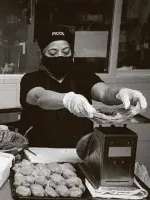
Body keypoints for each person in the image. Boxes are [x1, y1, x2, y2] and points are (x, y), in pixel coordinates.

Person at [19, 26, 147, 148]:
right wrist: (68, 100)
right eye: (53, 53)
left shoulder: (82, 76)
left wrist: (122, 93)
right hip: (39, 152)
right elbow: (40, 97)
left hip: (80, 150)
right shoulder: (31, 79)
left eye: (66, 52)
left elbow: (105, 93)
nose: (60, 56)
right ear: (41, 55)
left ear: (72, 54)